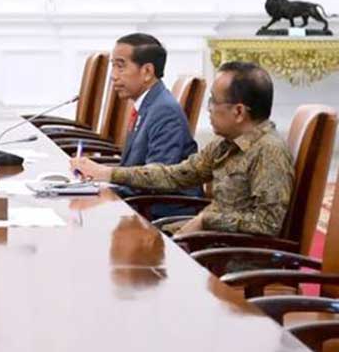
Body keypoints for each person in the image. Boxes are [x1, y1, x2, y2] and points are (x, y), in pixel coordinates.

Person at [72, 62, 295, 237]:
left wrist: (206, 220)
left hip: (230, 258)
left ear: (238, 112)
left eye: (214, 103)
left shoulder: (269, 152)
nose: (209, 110)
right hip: (206, 240)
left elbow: (267, 223)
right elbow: (175, 175)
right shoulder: (226, 144)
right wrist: (107, 173)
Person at [106, 34, 199, 204]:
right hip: (137, 201)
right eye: (113, 66)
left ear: (147, 71)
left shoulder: (165, 111)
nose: (113, 76)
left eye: (120, 67)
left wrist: (104, 180)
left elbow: (155, 181)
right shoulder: (148, 103)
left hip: (157, 212)